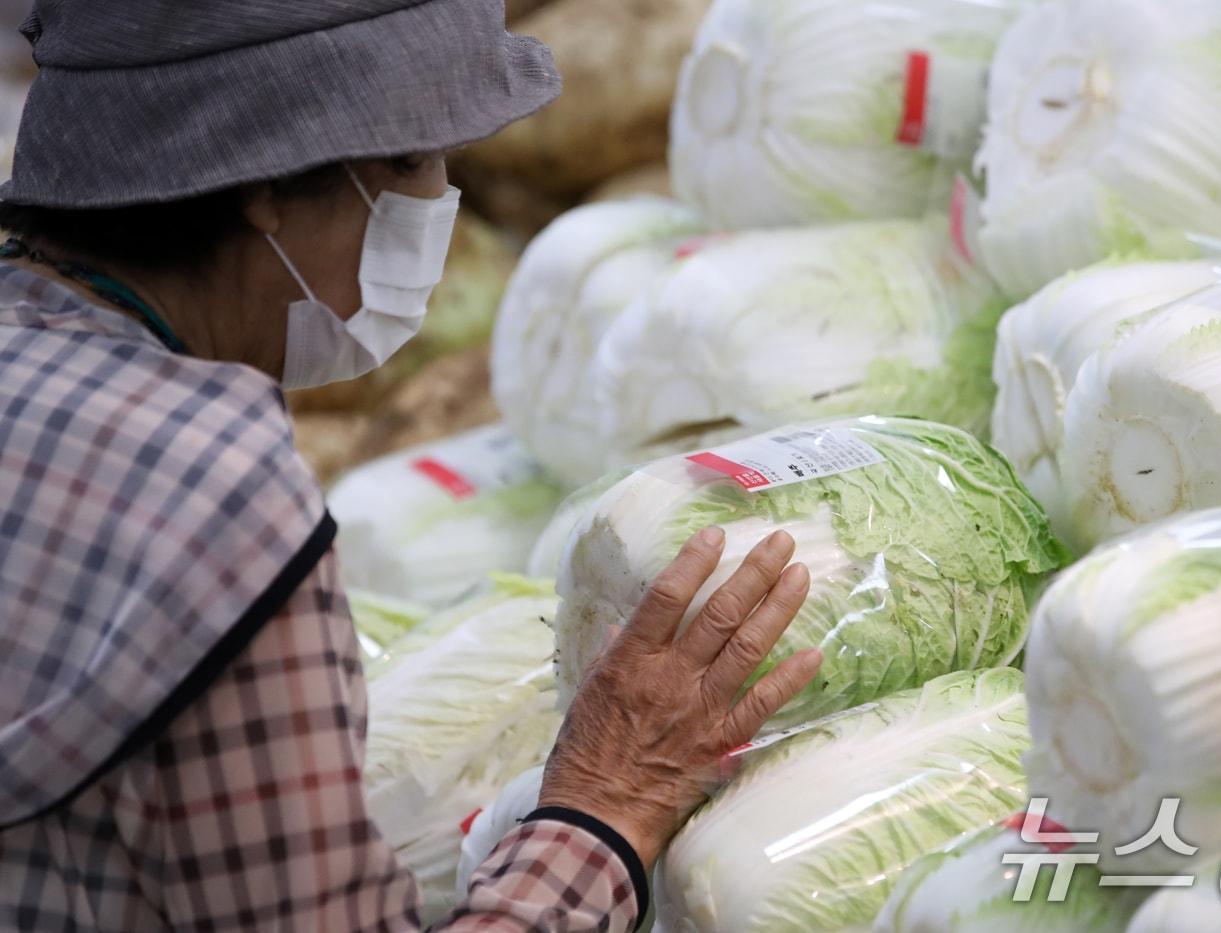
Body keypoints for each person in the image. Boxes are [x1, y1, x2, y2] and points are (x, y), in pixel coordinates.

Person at [0, 2, 823, 930]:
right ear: (268, 178)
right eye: (415, 163)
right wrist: (607, 800)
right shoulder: (212, 479)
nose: (438, 206)